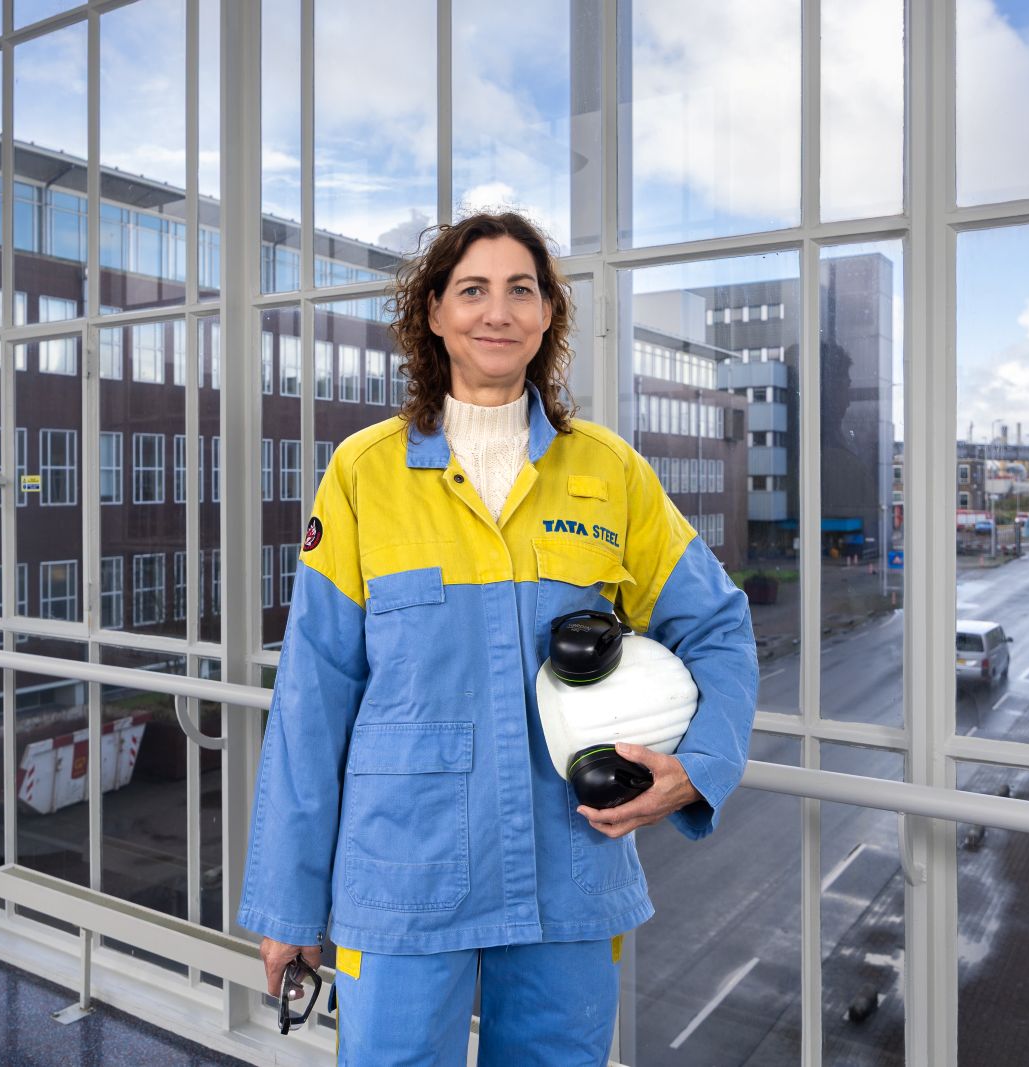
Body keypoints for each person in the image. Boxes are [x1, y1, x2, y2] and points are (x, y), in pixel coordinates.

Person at [237, 211, 759, 1066]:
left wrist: (698, 768)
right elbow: (313, 695)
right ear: (435, 312)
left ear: (548, 313)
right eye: (472, 289)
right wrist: (287, 906)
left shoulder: (609, 473)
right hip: (402, 871)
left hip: (569, 866)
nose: (498, 311)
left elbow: (719, 625)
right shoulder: (364, 474)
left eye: (521, 289)